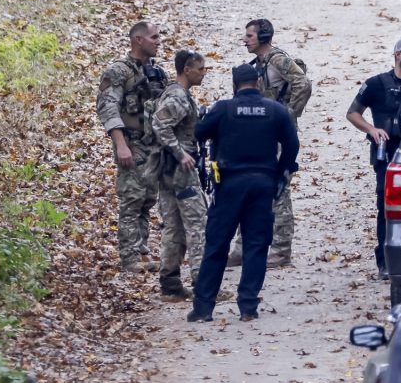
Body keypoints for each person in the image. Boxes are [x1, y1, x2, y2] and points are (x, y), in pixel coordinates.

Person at [188, 64, 299, 322]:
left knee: (216, 246)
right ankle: (248, 306)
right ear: (259, 82)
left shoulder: (223, 109)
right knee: (256, 246)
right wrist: (281, 173)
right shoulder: (276, 111)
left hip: (229, 184)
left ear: (235, 85)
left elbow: (198, 134)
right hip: (263, 184)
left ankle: (204, 308)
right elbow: (292, 145)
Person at [227, 18, 311, 269]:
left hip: (277, 138)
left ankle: (282, 251)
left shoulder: (277, 60)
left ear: (263, 36)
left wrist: (287, 114)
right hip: (260, 136)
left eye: (250, 36)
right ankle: (242, 249)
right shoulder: (259, 65)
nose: (245, 40)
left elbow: (303, 84)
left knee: (278, 188)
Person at [346, 35, 401, 278]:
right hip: (387, 155)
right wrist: (371, 130)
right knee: (386, 208)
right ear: (397, 55)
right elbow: (353, 113)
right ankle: (384, 262)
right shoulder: (376, 84)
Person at [96, 21, 169, 274]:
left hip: (154, 147)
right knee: (132, 200)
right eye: (154, 37)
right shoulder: (118, 72)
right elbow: (107, 107)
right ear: (138, 40)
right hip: (132, 144)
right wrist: (120, 144)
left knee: (147, 200)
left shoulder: (157, 73)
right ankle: (129, 259)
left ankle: (140, 249)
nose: (159, 41)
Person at [151, 50, 208, 301]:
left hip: (166, 170)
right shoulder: (178, 97)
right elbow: (159, 124)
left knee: (173, 227)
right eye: (200, 68)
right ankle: (204, 284)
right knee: (198, 224)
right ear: (187, 69)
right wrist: (181, 153)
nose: (203, 73)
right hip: (181, 170)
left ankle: (171, 285)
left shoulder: (177, 95)